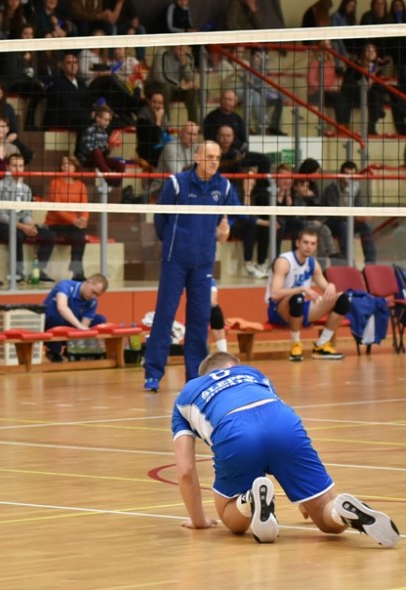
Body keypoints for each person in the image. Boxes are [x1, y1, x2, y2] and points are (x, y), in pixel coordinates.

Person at [171, 351, 399, 547]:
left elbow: (185, 470)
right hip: (283, 423)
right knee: (327, 521)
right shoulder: (252, 374)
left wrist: (198, 521)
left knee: (232, 519)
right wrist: (305, 497)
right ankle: (339, 512)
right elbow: (273, 423)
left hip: (235, 432)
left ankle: (250, 500)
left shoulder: (187, 394)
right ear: (232, 366)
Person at [143, 141, 240, 393]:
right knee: (165, 315)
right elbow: (160, 218)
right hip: (175, 260)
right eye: (209, 156)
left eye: (217, 157)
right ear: (197, 157)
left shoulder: (224, 186)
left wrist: (226, 227)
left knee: (200, 318)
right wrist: (173, 243)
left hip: (204, 261)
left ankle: (195, 376)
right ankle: (153, 373)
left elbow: (232, 215)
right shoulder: (177, 183)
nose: (214, 161)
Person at [267, 226, 349, 362]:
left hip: (300, 308)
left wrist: (331, 286)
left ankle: (321, 345)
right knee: (298, 298)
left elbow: (325, 287)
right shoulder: (284, 262)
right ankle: (296, 344)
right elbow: (275, 294)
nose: (308, 247)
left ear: (316, 246)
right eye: (305, 242)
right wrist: (302, 289)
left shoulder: (312, 263)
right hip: (278, 310)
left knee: (343, 299)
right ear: (297, 243)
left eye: (312, 244)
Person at [0, 153, 56, 282]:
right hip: (2, 226)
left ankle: (39, 271)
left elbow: (26, 213)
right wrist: (22, 226)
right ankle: (17, 272)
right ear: (7, 167)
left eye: (21, 166)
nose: (18, 169)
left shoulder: (26, 189)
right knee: (16, 234)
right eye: (14, 165)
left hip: (21, 225)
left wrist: (30, 225)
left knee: (49, 235)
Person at [42, 274, 108, 362]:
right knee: (56, 316)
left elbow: (85, 325)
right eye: (93, 292)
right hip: (50, 324)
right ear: (89, 282)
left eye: (97, 295)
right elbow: (61, 307)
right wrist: (79, 326)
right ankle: (53, 352)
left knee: (100, 319)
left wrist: (81, 330)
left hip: (71, 326)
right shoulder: (65, 285)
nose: (93, 296)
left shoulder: (93, 301)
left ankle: (73, 351)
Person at [44, 155, 90, 280]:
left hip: (73, 225)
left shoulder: (81, 185)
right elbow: (57, 209)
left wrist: (83, 219)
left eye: (69, 164)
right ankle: (78, 271)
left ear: (75, 167)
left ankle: (76, 270)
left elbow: (84, 207)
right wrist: (74, 220)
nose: (66, 166)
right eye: (63, 164)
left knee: (80, 233)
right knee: (78, 232)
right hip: (55, 224)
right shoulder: (55, 183)